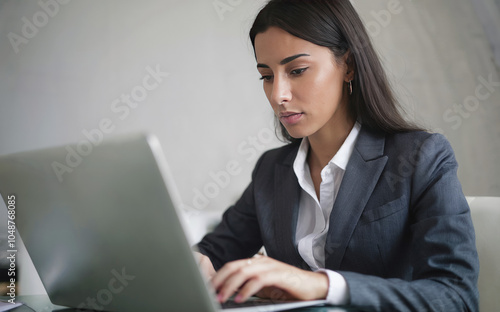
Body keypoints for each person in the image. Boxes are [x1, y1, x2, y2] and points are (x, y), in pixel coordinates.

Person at [195, 0, 479, 311]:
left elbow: (456, 296)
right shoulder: (271, 169)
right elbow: (213, 251)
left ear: (349, 66)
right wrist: (196, 263)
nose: (278, 95)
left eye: (297, 70)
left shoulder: (421, 157)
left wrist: (320, 285)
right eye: (267, 76)